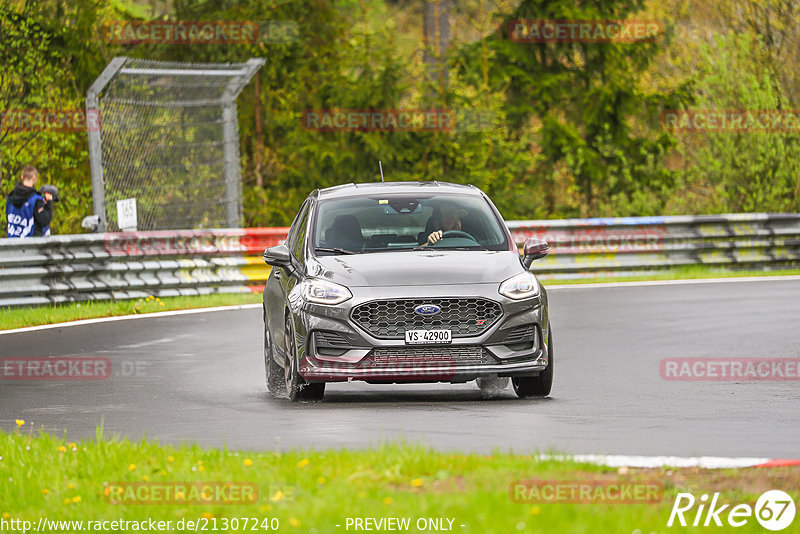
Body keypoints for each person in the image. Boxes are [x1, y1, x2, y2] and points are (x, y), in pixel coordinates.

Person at [5, 166, 57, 237]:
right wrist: (48, 204)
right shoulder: (35, 199)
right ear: (34, 178)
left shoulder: (11, 196)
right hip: (29, 244)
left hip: (11, 243)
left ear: (22, 177)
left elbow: (8, 217)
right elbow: (44, 221)